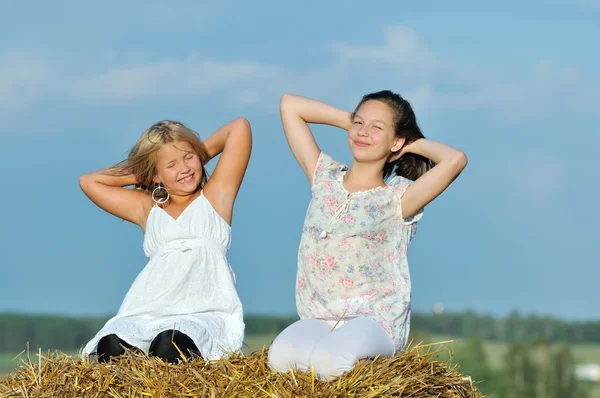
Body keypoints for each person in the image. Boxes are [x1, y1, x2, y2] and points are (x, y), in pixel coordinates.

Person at [267, 91, 467, 380]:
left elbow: (455, 159)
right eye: (359, 123)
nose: (363, 132)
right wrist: (352, 122)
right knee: (280, 359)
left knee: (328, 363)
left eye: (377, 127)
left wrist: (408, 143)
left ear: (396, 141)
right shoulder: (323, 177)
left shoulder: (399, 198)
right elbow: (289, 105)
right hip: (321, 317)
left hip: (374, 320)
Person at [79, 118, 252, 363]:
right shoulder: (148, 208)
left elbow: (240, 127)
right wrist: (146, 172)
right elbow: (89, 181)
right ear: (156, 175)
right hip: (147, 311)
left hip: (201, 313)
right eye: (171, 165)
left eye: (188, 157)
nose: (184, 168)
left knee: (170, 345)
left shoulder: (216, 196)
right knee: (112, 346)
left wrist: (194, 153)